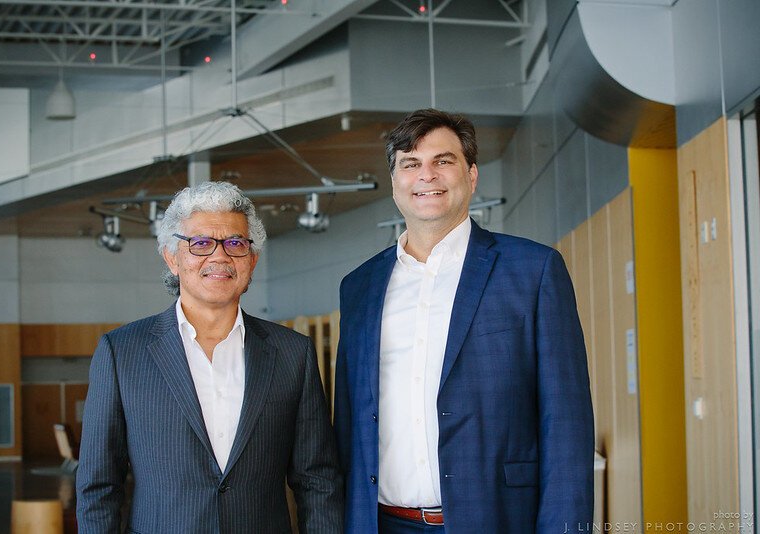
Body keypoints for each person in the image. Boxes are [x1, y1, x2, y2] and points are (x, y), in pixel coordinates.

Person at [333, 109, 594, 533]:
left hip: (495, 520)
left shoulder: (533, 270)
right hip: (381, 524)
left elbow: (566, 423)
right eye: (410, 163)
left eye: (444, 160)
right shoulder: (359, 287)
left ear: (471, 176)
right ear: (395, 183)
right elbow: (348, 425)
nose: (426, 175)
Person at [76, 182, 343, 533]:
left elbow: (317, 481)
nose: (219, 257)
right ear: (172, 257)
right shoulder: (121, 352)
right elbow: (99, 486)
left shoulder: (293, 353)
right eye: (200, 243)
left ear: (252, 260)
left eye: (235, 243)